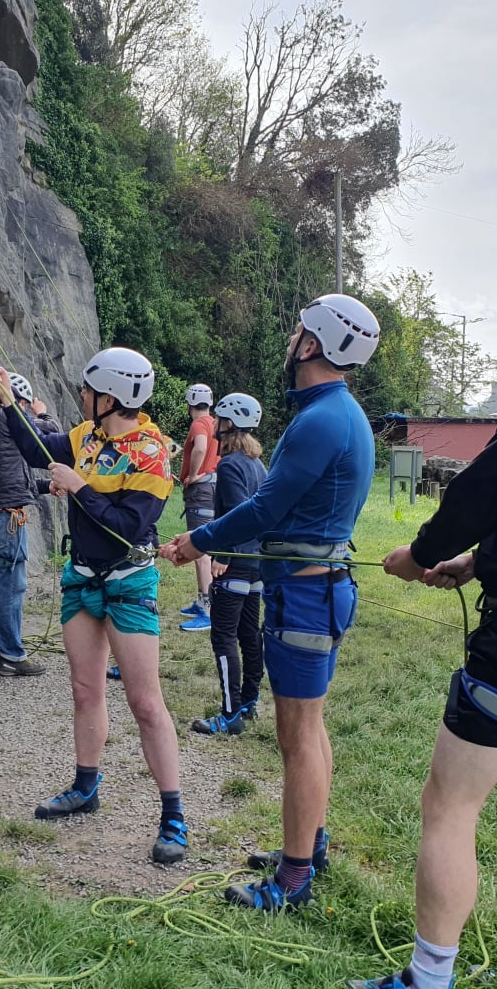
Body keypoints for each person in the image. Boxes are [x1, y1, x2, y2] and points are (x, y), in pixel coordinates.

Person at [348, 279, 497, 989]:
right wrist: (482, 562)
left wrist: (425, 554)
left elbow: (480, 492)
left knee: (450, 804)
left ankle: (428, 978)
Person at [161, 293, 380, 907]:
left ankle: (293, 879)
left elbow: (266, 508)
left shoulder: (323, 419)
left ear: (311, 345)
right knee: (309, 730)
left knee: (298, 736)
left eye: (297, 332)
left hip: (309, 594)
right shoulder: (333, 412)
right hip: (313, 588)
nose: (291, 340)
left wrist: (193, 541)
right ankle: (308, 843)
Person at [0, 348, 186, 864]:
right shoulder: (86, 436)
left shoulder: (152, 452)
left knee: (145, 703)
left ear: (111, 397)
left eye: (87, 388)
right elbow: (37, 449)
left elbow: (126, 525)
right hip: (82, 579)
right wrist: (9, 402)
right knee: (84, 690)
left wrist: (79, 486)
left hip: (128, 581)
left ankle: (174, 816)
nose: (80, 394)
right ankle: (85, 786)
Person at [0, 372, 59, 677]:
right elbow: (46, 437)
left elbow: (13, 473)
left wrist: (48, 487)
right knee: (10, 586)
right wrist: (40, 412)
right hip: (6, 519)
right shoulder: (6, 419)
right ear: (16, 401)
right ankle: (11, 655)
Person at [191, 393, 267, 737]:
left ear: (228, 424)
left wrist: (223, 555)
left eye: (220, 421)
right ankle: (250, 701)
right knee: (250, 635)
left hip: (233, 564)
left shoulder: (230, 464)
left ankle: (230, 713)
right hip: (256, 565)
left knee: (223, 638)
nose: (217, 427)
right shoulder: (257, 464)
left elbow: (239, 514)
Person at [178, 383, 221, 632]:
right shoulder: (215, 422)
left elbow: (201, 446)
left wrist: (193, 474)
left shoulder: (198, 424)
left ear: (189, 404)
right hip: (213, 488)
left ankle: (207, 609)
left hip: (201, 491)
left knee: (200, 550)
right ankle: (202, 600)